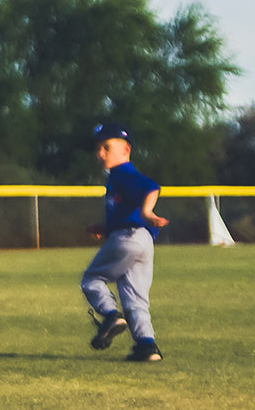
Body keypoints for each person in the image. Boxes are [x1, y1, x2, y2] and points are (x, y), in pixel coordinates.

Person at [81, 123, 168, 362]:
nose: (100, 154)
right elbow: (125, 210)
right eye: (98, 148)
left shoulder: (121, 173)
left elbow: (151, 187)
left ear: (126, 149)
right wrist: (105, 228)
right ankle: (146, 345)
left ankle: (110, 315)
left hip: (128, 238)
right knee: (135, 297)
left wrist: (148, 212)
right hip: (143, 241)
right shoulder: (116, 178)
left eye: (107, 147)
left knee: (92, 280)